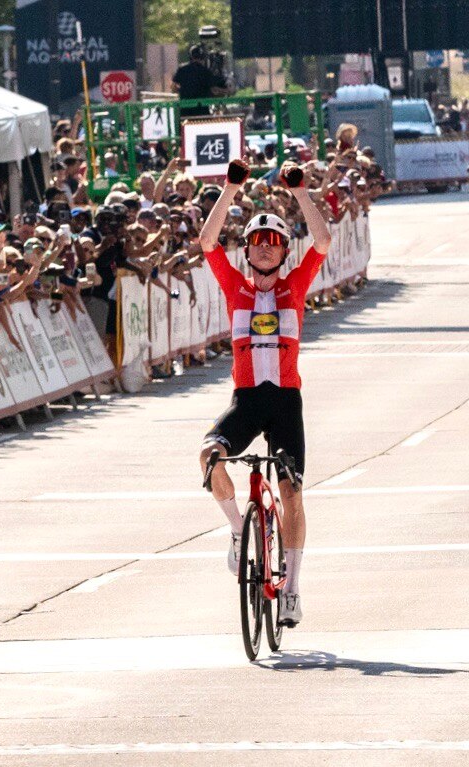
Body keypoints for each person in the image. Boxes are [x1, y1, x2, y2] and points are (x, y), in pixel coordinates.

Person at [196, 158, 331, 628]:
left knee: (291, 492)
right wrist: (231, 188)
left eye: (275, 242)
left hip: (286, 403)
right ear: (248, 250)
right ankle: (238, 531)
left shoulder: (296, 286)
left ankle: (291, 587)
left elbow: (324, 241)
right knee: (209, 456)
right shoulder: (235, 288)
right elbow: (208, 242)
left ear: (284, 250)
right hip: (248, 400)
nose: (268, 248)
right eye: (259, 241)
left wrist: (299, 191)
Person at [172, 45, 229, 117]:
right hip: (202, 112)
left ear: (190, 57)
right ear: (203, 58)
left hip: (185, 112)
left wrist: (183, 90)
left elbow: (173, 87)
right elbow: (214, 89)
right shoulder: (206, 71)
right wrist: (226, 90)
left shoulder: (182, 69)